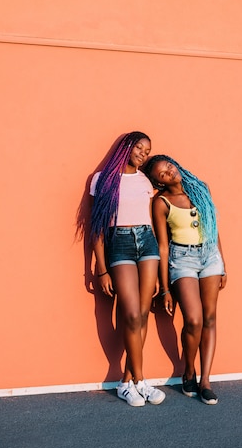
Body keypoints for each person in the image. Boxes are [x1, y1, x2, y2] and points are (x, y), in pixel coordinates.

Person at [88, 131, 165, 407]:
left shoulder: (146, 180)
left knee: (142, 315)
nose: (144, 154)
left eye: (148, 151)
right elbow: (95, 227)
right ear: (127, 146)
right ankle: (140, 380)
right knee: (131, 314)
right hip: (118, 244)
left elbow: (153, 221)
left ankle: (128, 381)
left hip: (147, 243)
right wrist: (100, 267)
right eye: (141, 148)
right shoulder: (103, 180)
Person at [144, 155, 227, 405]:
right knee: (193, 319)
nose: (169, 172)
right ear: (159, 183)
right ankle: (188, 370)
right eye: (162, 174)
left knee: (210, 318)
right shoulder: (161, 202)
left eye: (169, 166)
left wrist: (223, 263)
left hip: (210, 254)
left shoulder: (201, 189)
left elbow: (213, 227)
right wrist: (166, 287)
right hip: (182, 259)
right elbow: (162, 246)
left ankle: (205, 382)